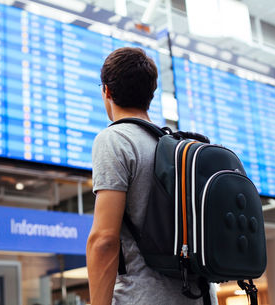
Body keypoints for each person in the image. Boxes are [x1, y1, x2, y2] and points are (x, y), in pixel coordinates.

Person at [86, 47, 218, 305]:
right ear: (151, 95)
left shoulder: (115, 139)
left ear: (107, 92)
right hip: (200, 297)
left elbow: (103, 240)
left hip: (144, 297)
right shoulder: (178, 148)